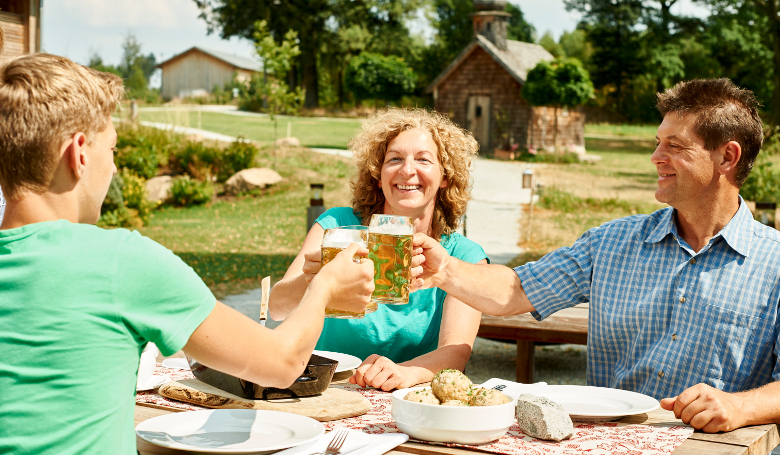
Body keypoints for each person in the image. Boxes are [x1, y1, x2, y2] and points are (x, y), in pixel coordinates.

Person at [0, 53, 374, 454]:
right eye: (112, 150)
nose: (112, 169)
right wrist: (324, 288)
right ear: (79, 154)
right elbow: (280, 364)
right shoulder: (122, 261)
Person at [412, 78, 780, 433]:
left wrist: (740, 406)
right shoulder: (611, 242)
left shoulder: (774, 263)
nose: (655, 157)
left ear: (727, 157)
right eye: (657, 142)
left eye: (675, 146)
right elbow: (514, 291)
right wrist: (445, 269)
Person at [269, 108, 487, 391]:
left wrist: (402, 373)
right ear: (378, 174)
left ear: (445, 176)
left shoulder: (463, 256)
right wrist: (314, 281)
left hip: (404, 398)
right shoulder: (337, 226)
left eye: (423, 159)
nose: (407, 170)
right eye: (394, 159)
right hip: (318, 388)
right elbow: (276, 308)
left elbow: (455, 353)